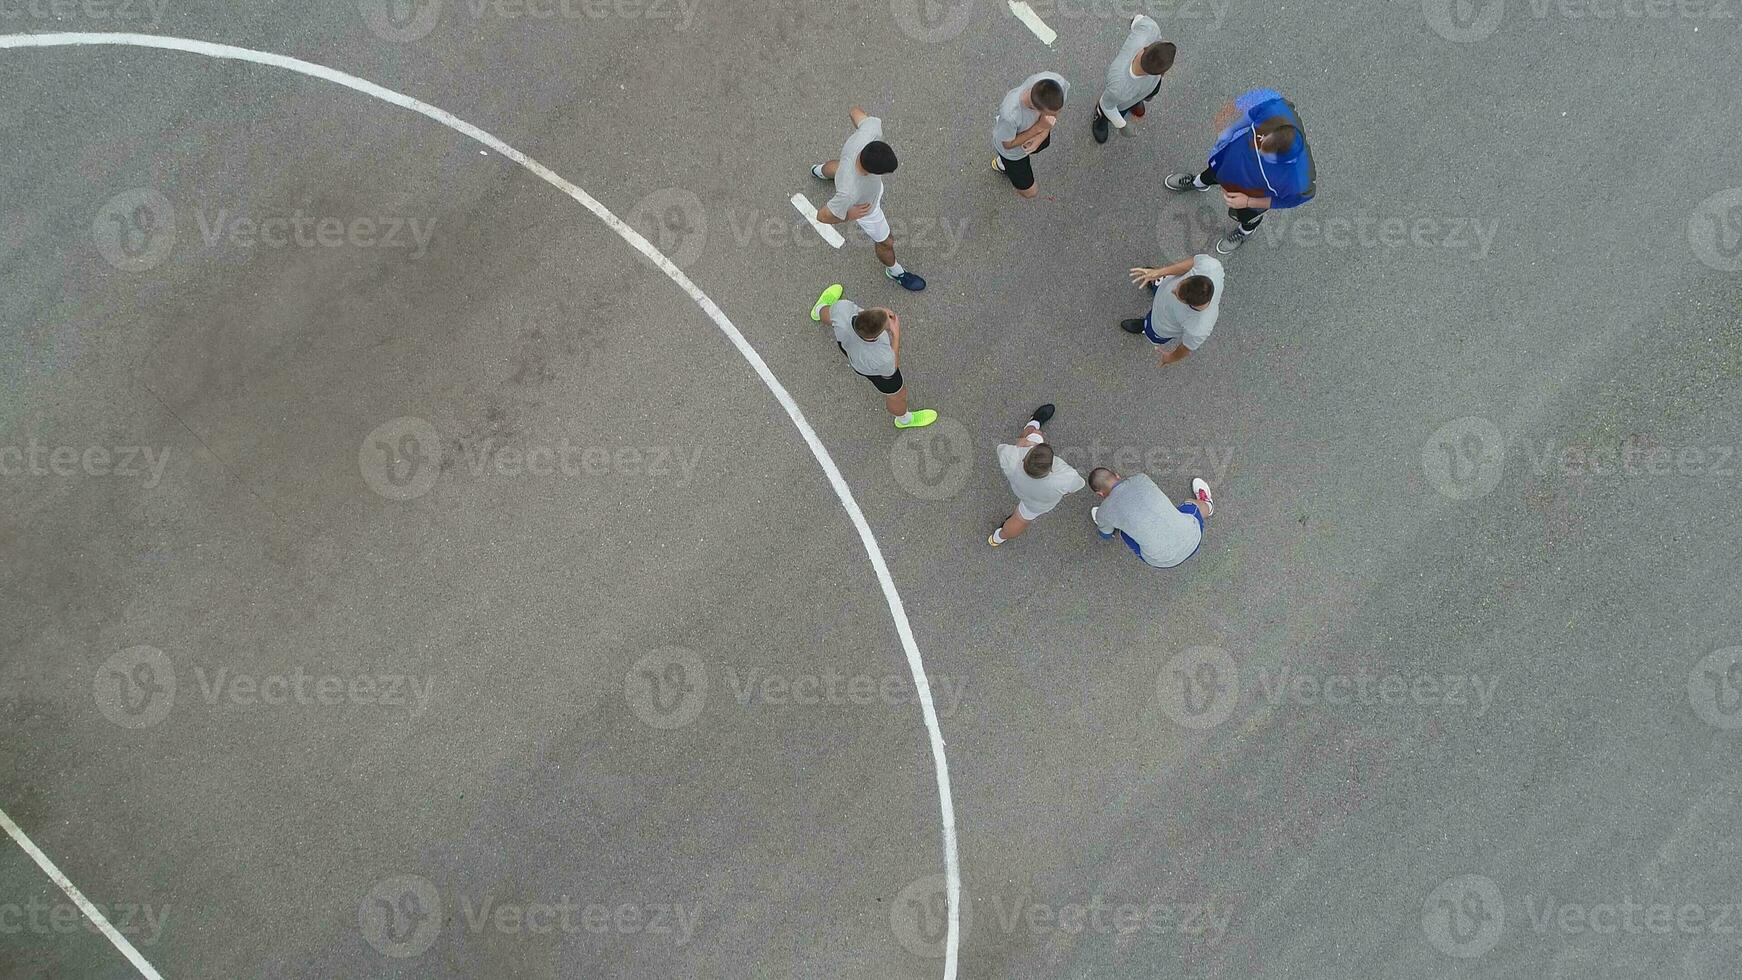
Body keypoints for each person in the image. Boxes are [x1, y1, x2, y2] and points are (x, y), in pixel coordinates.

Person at [1163, 87, 1315, 253]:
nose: (1258, 150)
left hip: (1251, 194)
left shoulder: (1300, 183)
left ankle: (1246, 231)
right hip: (1229, 162)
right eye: (1261, 142)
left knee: (1245, 216)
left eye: (1265, 156)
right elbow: (1252, 114)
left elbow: (1284, 201)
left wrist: (1248, 202)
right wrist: (1231, 130)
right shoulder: (1276, 110)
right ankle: (1198, 182)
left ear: (1286, 161)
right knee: (1212, 173)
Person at [811, 107, 926, 290]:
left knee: (840, 167)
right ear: (870, 172)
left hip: (848, 170)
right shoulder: (850, 192)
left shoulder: (870, 132)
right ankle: (895, 271)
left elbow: (854, 111)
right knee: (886, 242)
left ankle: (818, 170)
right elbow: (822, 216)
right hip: (867, 209)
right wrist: (850, 214)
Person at [809, 284, 937, 429]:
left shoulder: (843, 308)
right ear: (879, 333)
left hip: (848, 348)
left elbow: (838, 315)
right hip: (869, 368)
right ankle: (904, 420)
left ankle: (818, 309)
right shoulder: (883, 357)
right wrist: (896, 334)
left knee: (831, 314)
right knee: (897, 393)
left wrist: (880, 314)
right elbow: (892, 367)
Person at [988, 403, 1086, 547]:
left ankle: (1033, 424)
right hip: (1037, 504)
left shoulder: (1011, 456)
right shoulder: (1065, 478)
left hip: (1019, 487)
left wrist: (1023, 442)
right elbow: (1077, 485)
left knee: (1033, 432)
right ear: (1051, 468)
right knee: (1021, 520)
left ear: (1025, 457)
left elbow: (1001, 450)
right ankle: (997, 538)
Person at [1088, 468, 1214, 569]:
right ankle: (1208, 506)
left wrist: (1104, 519)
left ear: (1100, 494)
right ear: (1117, 475)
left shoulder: (1104, 512)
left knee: (1125, 533)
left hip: (1162, 561)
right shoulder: (1141, 478)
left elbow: (1105, 534)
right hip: (1193, 536)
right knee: (1190, 505)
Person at [1121, 253, 1225, 367]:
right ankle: (1155, 283)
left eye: (1177, 295)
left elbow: (1185, 349)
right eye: (1180, 283)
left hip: (1161, 324)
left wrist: (1170, 358)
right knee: (1163, 286)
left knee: (1151, 326)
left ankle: (1145, 327)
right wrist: (1159, 272)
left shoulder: (1198, 328)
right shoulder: (1210, 266)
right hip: (1163, 295)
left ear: (1189, 304)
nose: (1173, 290)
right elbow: (1191, 264)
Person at [1092, 16, 1176, 144]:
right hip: (1122, 101)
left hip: (1144, 89)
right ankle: (1101, 119)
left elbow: (1137, 19)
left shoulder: (1150, 29)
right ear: (1161, 73)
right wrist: (1121, 124)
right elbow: (1107, 105)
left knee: (1144, 94)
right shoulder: (1118, 87)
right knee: (1117, 108)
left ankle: (1137, 101)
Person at [993, 72, 1069, 199]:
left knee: (1043, 144)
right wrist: (1039, 127)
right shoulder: (1010, 115)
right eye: (1050, 114)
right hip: (1012, 153)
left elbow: (1055, 112)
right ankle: (1003, 163)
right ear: (1035, 108)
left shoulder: (1057, 82)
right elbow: (1007, 144)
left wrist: (1042, 134)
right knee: (1030, 193)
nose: (1055, 117)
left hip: (1036, 132)